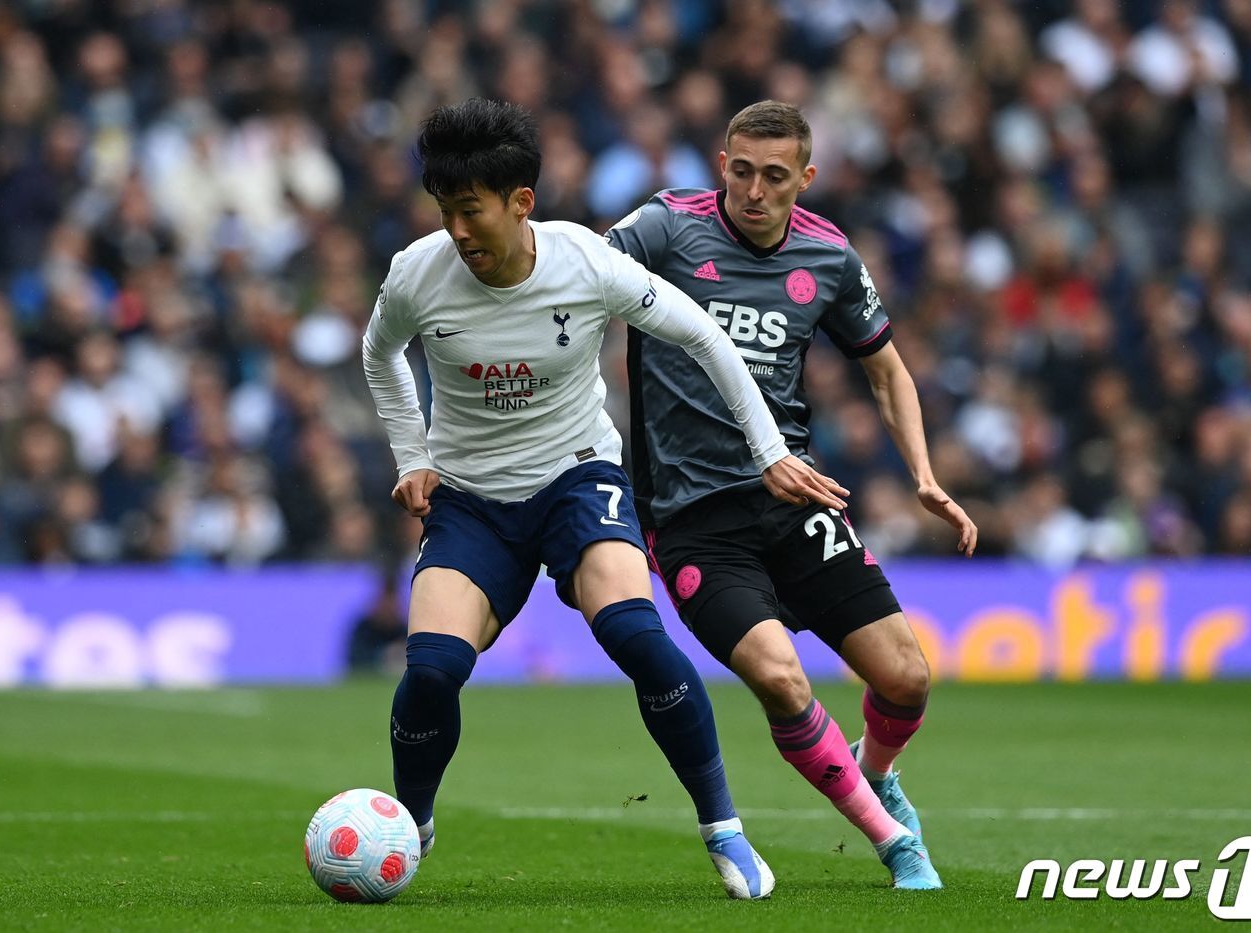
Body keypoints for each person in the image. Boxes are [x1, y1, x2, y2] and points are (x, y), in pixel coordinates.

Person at [361, 98, 848, 900]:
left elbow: (705, 337)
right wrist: (412, 454)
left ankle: (723, 828)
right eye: (445, 211)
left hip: (578, 479)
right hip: (472, 498)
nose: (456, 231)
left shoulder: (585, 263)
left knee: (636, 634)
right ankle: (408, 825)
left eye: (471, 211)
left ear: (522, 203)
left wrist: (770, 452)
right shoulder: (418, 273)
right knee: (434, 669)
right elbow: (379, 354)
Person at [607, 100, 979, 890]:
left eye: (774, 176)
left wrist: (923, 472)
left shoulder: (830, 256)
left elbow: (886, 368)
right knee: (781, 676)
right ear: (722, 165)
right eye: (740, 171)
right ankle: (892, 841)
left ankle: (879, 776)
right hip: (692, 520)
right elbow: (580, 268)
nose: (753, 190)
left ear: (804, 179)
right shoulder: (667, 228)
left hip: (796, 501)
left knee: (906, 678)